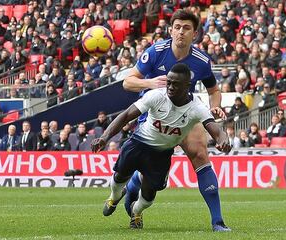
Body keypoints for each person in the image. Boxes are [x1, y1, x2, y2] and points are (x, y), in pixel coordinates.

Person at [122, 10, 229, 231]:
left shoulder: (201, 61)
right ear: (171, 30)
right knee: (151, 179)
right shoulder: (155, 52)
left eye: (186, 28)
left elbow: (214, 90)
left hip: (185, 115)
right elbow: (128, 82)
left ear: (195, 34)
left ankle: (217, 221)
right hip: (156, 117)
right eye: (177, 27)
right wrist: (150, 83)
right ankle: (133, 185)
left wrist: (215, 106)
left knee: (200, 154)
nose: (181, 32)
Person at [91, 63, 231, 230]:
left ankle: (136, 211)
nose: (170, 87)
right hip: (137, 144)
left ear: (187, 86)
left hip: (161, 155)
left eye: (175, 84)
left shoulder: (197, 107)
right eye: (169, 82)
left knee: (149, 195)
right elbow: (126, 115)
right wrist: (104, 138)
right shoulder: (156, 95)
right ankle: (114, 196)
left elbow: (215, 129)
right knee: (120, 176)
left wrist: (223, 140)